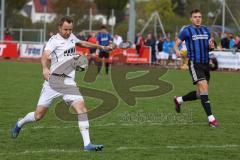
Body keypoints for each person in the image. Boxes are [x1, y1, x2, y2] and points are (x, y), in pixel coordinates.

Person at [11, 16, 111, 151]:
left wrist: (101, 46)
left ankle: (87, 144)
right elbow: (45, 56)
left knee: (81, 110)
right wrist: (45, 68)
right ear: (59, 28)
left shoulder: (71, 37)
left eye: (70, 29)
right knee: (38, 115)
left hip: (69, 82)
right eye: (65, 29)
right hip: (53, 82)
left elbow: (83, 43)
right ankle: (20, 123)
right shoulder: (54, 41)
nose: (68, 32)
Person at [173, 9, 218, 127]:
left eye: (199, 16)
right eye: (195, 17)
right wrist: (177, 51)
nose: (198, 18)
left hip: (205, 64)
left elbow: (210, 47)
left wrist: (212, 46)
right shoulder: (186, 31)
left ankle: (179, 100)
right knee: (203, 88)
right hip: (194, 64)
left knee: (200, 94)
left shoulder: (206, 30)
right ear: (191, 18)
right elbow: (176, 44)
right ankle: (211, 119)